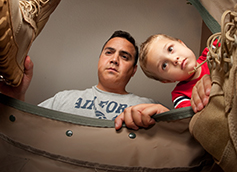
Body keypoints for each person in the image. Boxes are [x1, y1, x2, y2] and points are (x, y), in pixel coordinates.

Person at [0, 30, 156, 120]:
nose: (114, 60)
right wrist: (16, 97)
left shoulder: (148, 106)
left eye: (124, 56)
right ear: (99, 59)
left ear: (133, 70)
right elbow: (23, 130)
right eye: (109, 52)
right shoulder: (62, 99)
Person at [114, 34, 213, 130]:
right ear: (167, 80)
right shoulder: (179, 95)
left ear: (182, 44)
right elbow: (191, 122)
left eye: (170, 49)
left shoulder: (212, 51)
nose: (174, 59)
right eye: (164, 65)